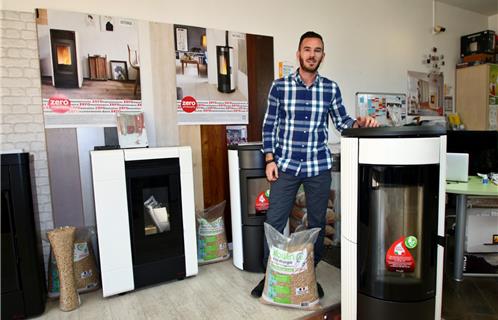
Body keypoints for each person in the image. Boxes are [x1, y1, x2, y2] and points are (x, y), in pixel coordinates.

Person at [251, 31, 379, 299]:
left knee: (317, 224)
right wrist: (269, 159)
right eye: (307, 49)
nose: (312, 54)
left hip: (318, 167)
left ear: (323, 55)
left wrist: (360, 124)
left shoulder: (330, 88)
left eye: (317, 50)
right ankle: (270, 275)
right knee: (274, 222)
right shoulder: (280, 86)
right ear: (298, 53)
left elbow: (343, 122)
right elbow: (269, 126)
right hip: (285, 165)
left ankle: (309, 274)